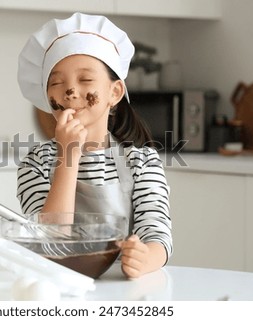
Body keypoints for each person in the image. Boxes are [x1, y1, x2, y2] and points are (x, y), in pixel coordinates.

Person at [16, 12, 172, 279]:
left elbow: (156, 234)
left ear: (115, 93)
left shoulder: (143, 161)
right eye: (56, 82)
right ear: (47, 96)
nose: (70, 91)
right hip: (57, 286)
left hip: (123, 287)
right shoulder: (36, 163)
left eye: (85, 80)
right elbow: (51, 240)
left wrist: (146, 258)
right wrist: (68, 155)